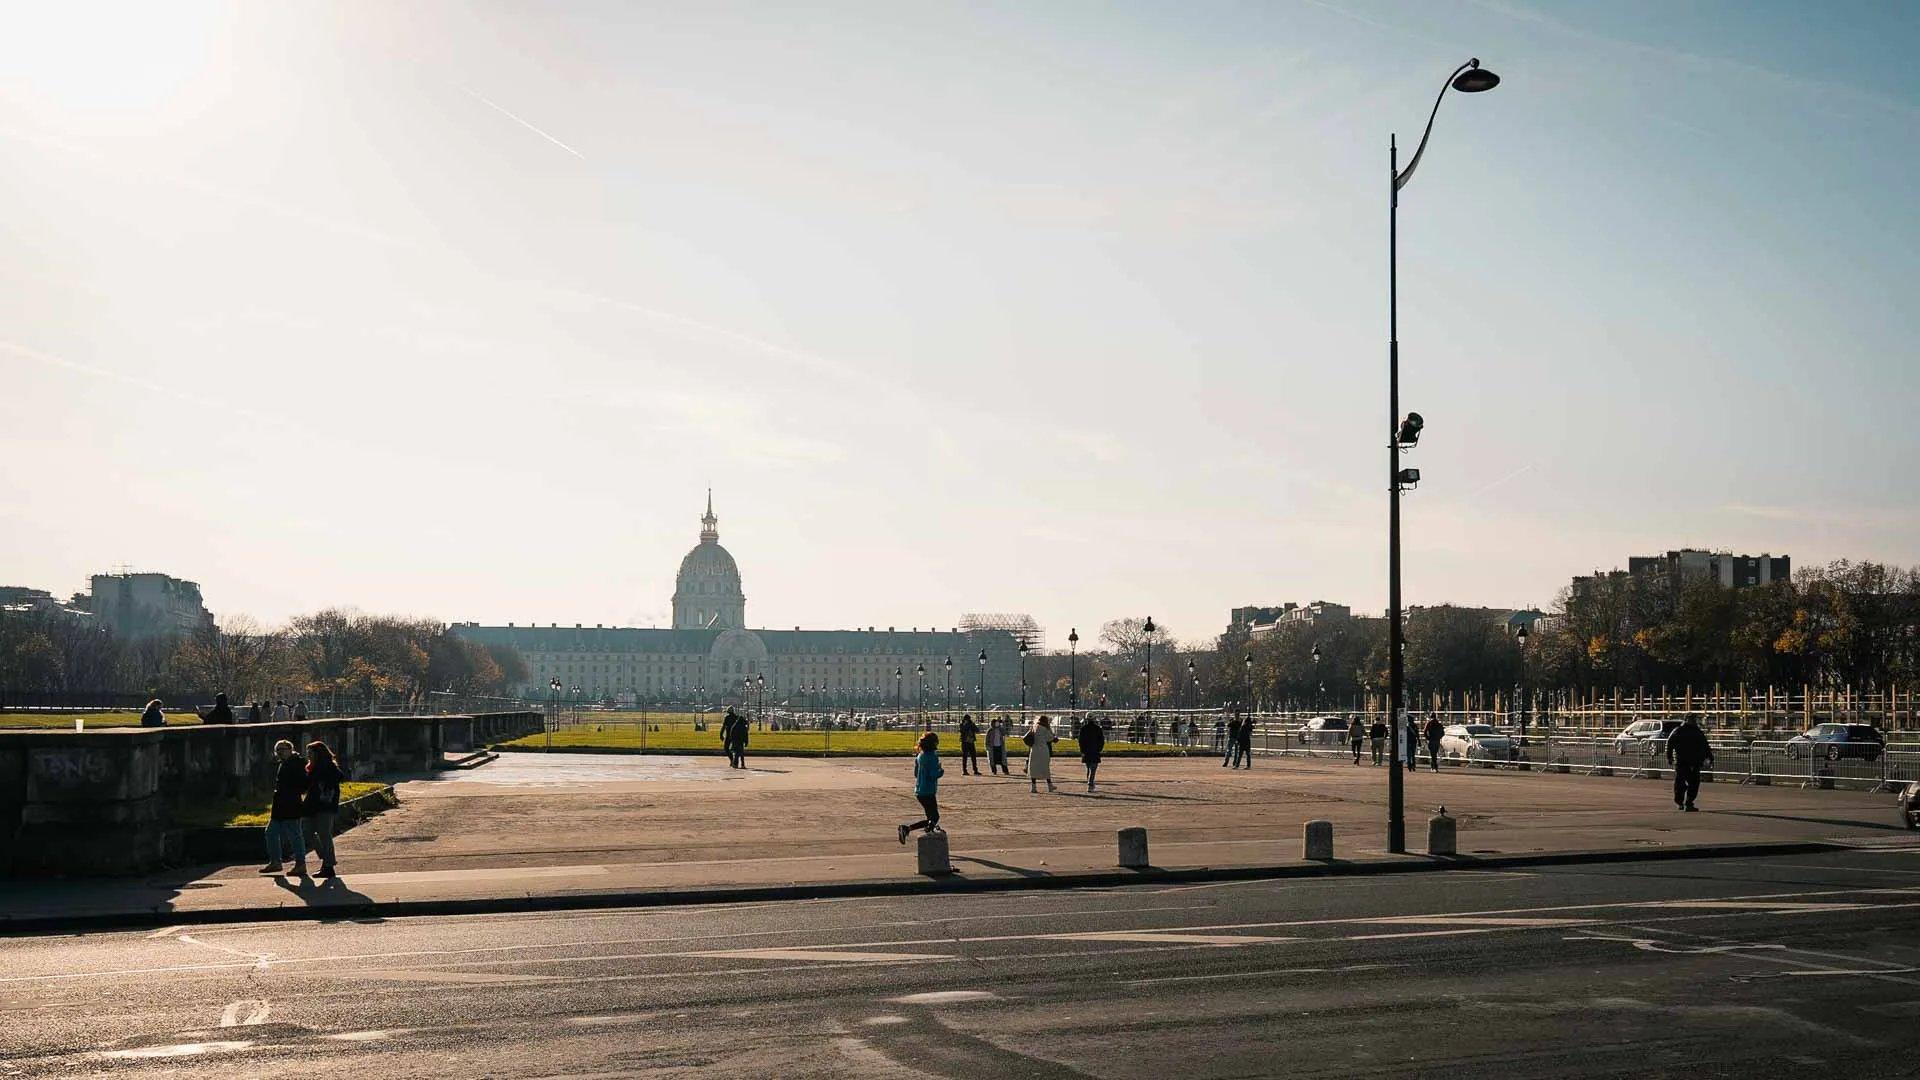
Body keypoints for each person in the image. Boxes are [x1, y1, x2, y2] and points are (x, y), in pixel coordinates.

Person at [260, 739, 309, 875]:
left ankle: (300, 864)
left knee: (294, 835)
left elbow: (303, 784)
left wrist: (292, 792)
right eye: (278, 750)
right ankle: (275, 862)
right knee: (271, 832)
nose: (280, 752)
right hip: (280, 804)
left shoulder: (296, 763)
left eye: (282, 749)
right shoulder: (285, 763)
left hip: (291, 803)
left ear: (290, 749)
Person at [303, 740, 344, 878]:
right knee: (307, 831)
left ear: (318, 754)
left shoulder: (328, 767)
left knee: (324, 834)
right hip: (312, 805)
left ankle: (328, 865)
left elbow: (338, 778)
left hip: (325, 805)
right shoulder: (312, 767)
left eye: (310, 753)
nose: (308, 756)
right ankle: (327, 859)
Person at [898, 731, 945, 842]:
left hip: (919, 790)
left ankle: (918, 829)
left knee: (931, 817)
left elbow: (916, 774)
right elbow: (933, 775)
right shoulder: (933, 757)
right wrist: (940, 771)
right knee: (934, 817)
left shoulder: (920, 756)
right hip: (928, 790)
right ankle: (919, 831)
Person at [1666, 714, 1715, 812]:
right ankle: (1679, 801)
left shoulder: (1697, 731)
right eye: (1691, 719)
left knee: (1694, 783)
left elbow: (1705, 745)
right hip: (1682, 761)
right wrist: (1669, 757)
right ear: (1686, 719)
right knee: (1680, 783)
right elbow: (1670, 744)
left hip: (1695, 762)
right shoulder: (1678, 731)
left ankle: (1689, 803)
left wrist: (1710, 757)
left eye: (1694, 719)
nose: (1693, 721)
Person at [1027, 715, 1058, 793]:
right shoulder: (1045, 729)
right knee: (1045, 767)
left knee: (1033, 768)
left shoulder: (1034, 727)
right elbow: (1051, 738)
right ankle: (1049, 785)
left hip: (1034, 749)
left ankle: (1033, 787)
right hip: (1043, 750)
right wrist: (1055, 738)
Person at [1078, 713, 1106, 792]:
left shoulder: (1083, 729)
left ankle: (1090, 782)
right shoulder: (1098, 728)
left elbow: (1080, 741)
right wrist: (1099, 749)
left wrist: (1082, 750)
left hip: (1086, 751)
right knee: (1093, 769)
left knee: (1088, 768)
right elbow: (1101, 740)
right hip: (1095, 751)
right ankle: (1090, 784)